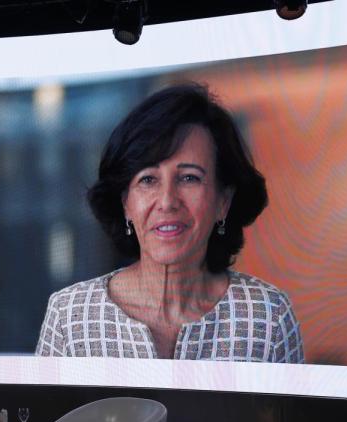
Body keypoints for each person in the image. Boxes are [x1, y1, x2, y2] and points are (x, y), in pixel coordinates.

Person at [35, 83, 303, 362]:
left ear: (223, 201)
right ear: (125, 203)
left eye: (189, 178)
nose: (167, 201)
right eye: (148, 180)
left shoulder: (268, 318)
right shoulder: (70, 317)